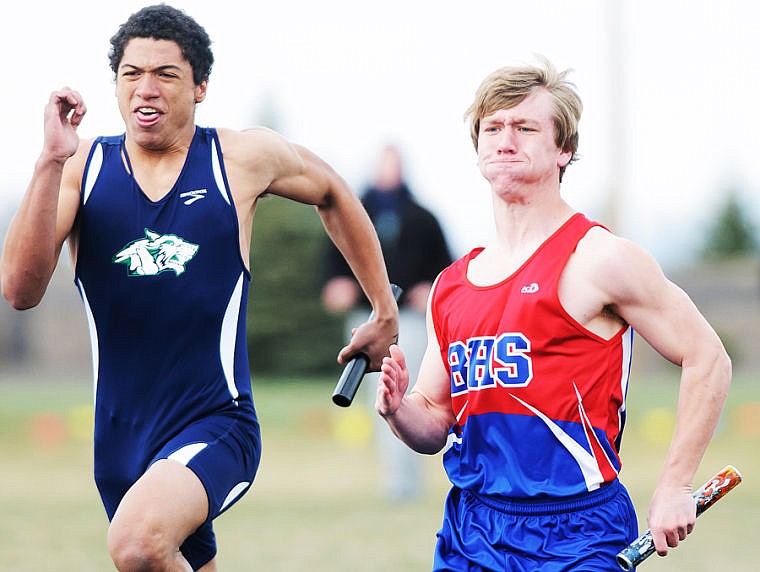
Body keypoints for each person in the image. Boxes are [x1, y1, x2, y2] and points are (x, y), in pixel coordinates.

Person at [0, 5, 398, 571]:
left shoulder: (239, 159)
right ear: (115, 85)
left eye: (166, 74)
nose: (147, 88)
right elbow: (19, 289)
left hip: (217, 424)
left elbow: (334, 190)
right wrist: (47, 161)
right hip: (118, 444)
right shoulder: (79, 169)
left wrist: (382, 309)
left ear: (201, 87)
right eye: (132, 74)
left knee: (138, 545)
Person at [375, 57, 731, 570]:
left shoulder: (601, 259)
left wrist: (676, 483)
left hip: (578, 531)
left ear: (564, 149)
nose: (505, 139)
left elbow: (708, 358)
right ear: (477, 147)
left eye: (524, 127)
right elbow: (434, 419)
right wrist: (396, 410)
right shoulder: (451, 286)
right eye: (492, 127)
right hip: (473, 528)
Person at [321, 144, 452, 500]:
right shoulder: (354, 213)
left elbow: (445, 266)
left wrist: (431, 288)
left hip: (407, 317)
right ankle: (395, 480)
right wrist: (336, 283)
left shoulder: (423, 218)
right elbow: (333, 260)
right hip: (366, 318)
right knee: (375, 398)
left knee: (408, 393)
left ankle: (409, 482)